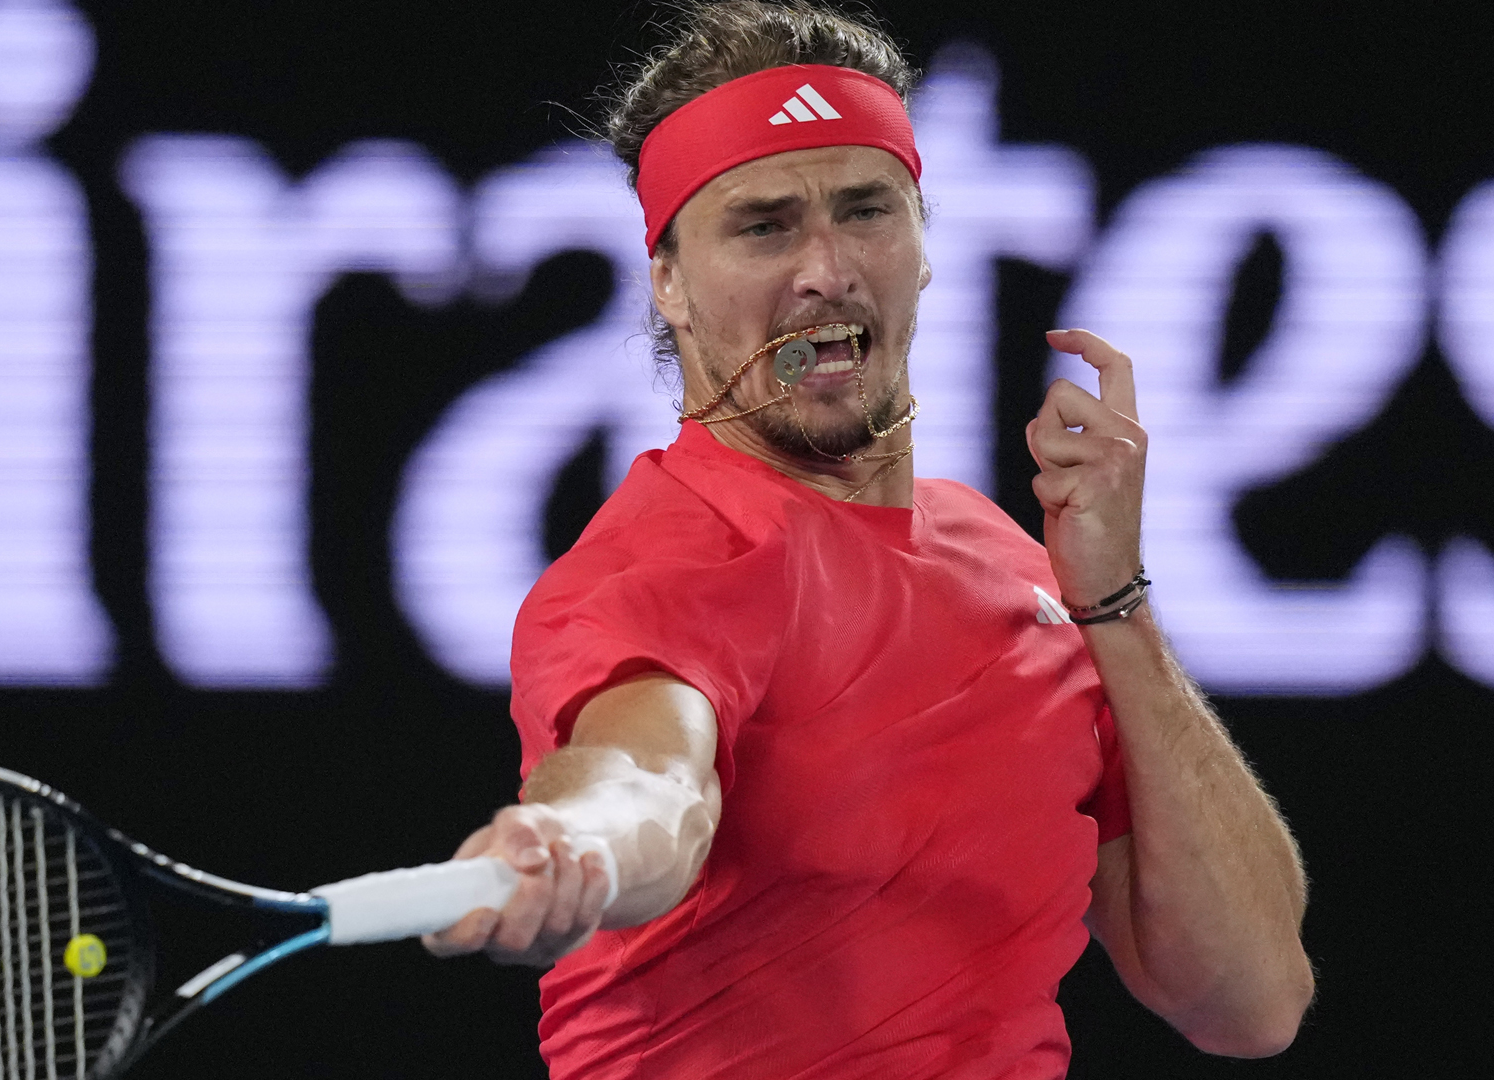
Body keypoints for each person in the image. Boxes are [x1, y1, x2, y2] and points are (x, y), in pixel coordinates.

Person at [422, 2, 1315, 1076]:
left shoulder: (1024, 573)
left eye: (865, 211)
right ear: (669, 280)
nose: (827, 270)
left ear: (925, 246)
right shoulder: (662, 562)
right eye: (764, 226)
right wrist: (577, 843)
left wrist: (1113, 601)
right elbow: (648, 780)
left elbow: (1253, 999)